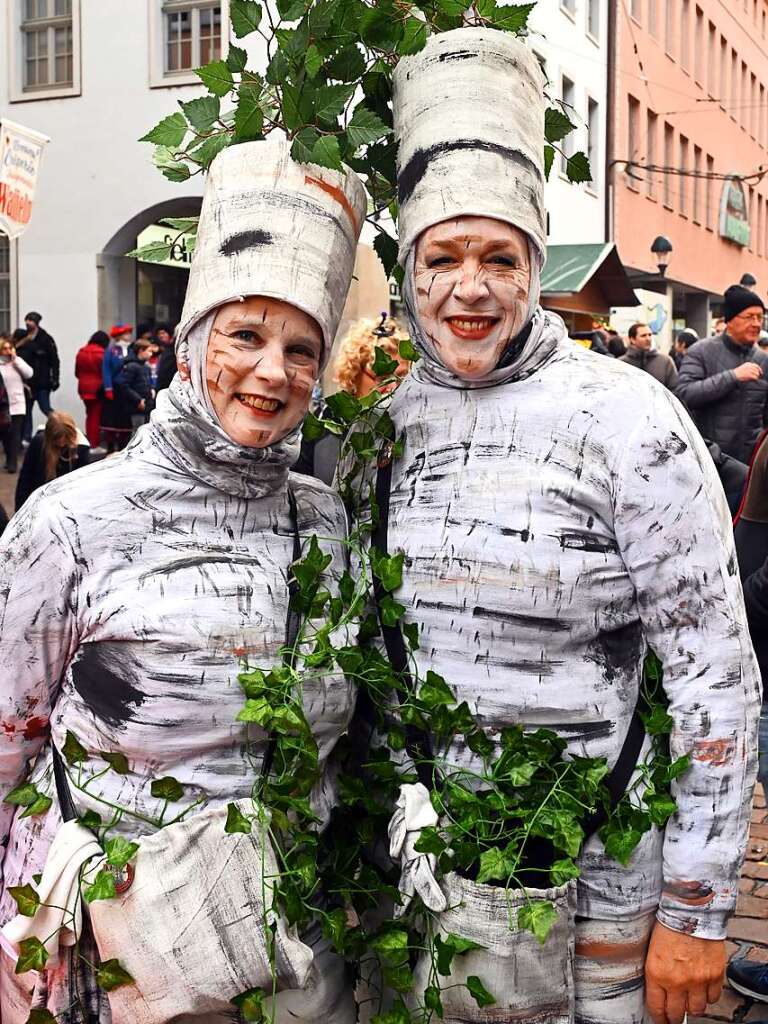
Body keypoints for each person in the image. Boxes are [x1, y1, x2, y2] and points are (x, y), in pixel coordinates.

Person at [365, 27, 759, 1024]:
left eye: (498, 255)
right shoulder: (386, 428)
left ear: (534, 266)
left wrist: (701, 911)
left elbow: (715, 670)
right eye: (443, 255)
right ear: (411, 269)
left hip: (609, 882)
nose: (469, 285)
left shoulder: (630, 420)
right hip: (441, 877)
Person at [0, 136, 366, 1023]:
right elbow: (7, 742)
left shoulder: (323, 521)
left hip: (290, 957)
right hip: (105, 958)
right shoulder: (70, 520)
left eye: (301, 348)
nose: (272, 371)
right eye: (246, 335)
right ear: (196, 344)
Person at [295, 314, 412, 484]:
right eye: (382, 377)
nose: (393, 388)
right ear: (354, 375)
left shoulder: (413, 428)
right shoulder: (325, 425)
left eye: (401, 378)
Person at [676, 284, 768, 464]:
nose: (756, 323)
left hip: (753, 462)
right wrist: (732, 377)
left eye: (760, 317)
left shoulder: (763, 359)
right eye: (749, 317)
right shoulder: (701, 351)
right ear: (730, 320)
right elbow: (686, 394)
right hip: (713, 462)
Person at [14, 410, 90, 511]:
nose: (62, 444)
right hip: (40, 504)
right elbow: (26, 477)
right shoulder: (39, 443)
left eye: (65, 439)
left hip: (67, 507)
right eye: (56, 441)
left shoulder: (81, 449)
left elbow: (84, 486)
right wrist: (20, 508)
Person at [15, 312, 59, 443]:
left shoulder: (46, 339)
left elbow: (54, 360)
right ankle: (26, 437)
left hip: (42, 381)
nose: (28, 323)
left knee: (45, 407)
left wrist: (55, 378)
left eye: (31, 320)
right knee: (27, 410)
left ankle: (61, 427)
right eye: (27, 320)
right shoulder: (23, 338)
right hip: (28, 381)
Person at [0, 335, 32, 473]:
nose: (8, 351)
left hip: (17, 403)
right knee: (5, 435)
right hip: (3, 405)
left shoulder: (17, 362)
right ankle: (8, 459)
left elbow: (29, 373)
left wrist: (16, 360)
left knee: (15, 434)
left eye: (10, 348)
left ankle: (13, 463)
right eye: (4, 348)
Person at [100, 324, 133, 453]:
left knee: (125, 420)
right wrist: (108, 388)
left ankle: (123, 446)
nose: (128, 336)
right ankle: (110, 446)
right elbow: (106, 369)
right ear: (119, 335)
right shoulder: (111, 351)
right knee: (112, 419)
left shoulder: (132, 349)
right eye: (126, 333)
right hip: (115, 389)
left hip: (128, 389)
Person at [74, 330, 109, 448]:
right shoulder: (103, 354)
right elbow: (105, 373)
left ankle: (89, 441)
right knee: (96, 416)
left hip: (84, 388)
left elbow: (77, 372)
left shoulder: (81, 352)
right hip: (98, 389)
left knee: (90, 415)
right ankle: (94, 444)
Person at [114, 338, 155, 433]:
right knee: (138, 432)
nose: (151, 354)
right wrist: (138, 399)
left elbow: (148, 382)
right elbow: (124, 385)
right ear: (141, 350)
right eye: (149, 351)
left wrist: (152, 389)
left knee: (146, 432)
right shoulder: (131, 366)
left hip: (147, 405)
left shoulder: (146, 367)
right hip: (136, 406)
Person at [620, 322, 678, 388]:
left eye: (650, 335)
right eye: (643, 336)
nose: (648, 339)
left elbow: (675, 389)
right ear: (632, 339)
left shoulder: (665, 361)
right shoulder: (621, 363)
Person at [154, 322, 178, 392]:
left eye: (163, 333)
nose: (161, 336)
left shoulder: (172, 351)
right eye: (159, 334)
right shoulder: (153, 350)